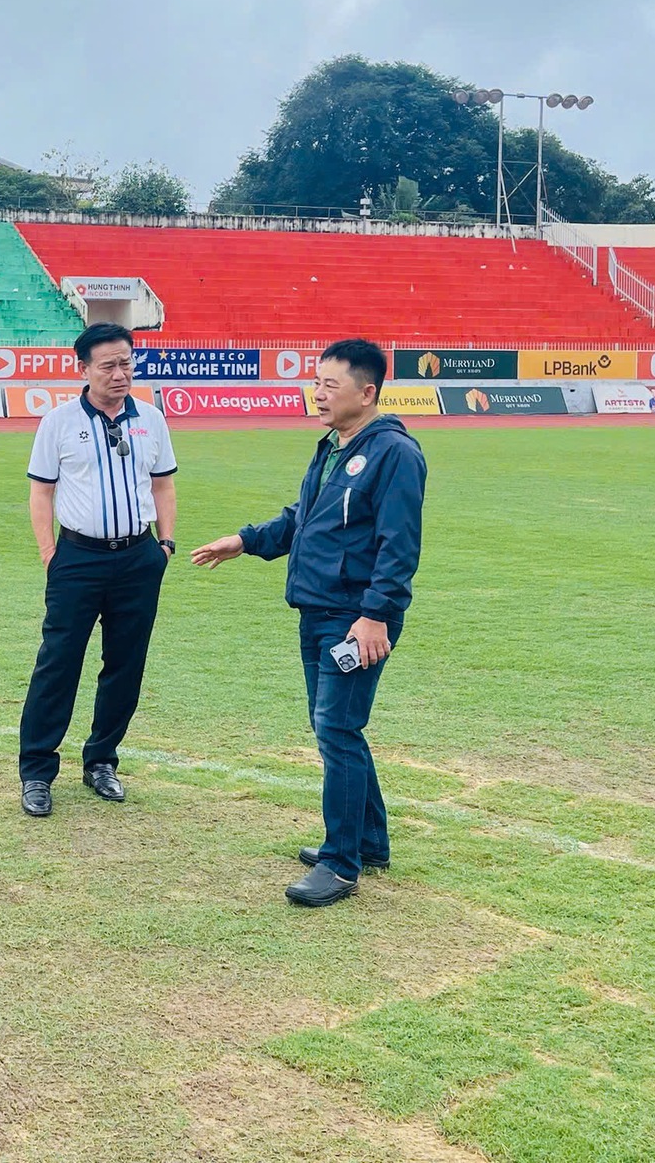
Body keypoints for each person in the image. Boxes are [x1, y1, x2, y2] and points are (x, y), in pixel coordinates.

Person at [192, 338, 426, 908]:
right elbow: (305, 518)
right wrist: (247, 541)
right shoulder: (331, 447)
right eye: (315, 381)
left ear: (367, 392)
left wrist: (375, 616)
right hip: (318, 610)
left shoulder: (395, 453)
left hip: (353, 618)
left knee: (337, 731)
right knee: (336, 729)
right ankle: (368, 841)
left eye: (330, 384)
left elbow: (399, 546)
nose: (317, 393)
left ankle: (340, 864)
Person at [16, 322, 178, 817]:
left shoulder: (150, 418)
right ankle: (37, 771)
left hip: (138, 558)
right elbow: (41, 491)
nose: (120, 373)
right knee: (58, 662)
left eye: (126, 362)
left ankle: (102, 761)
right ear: (82, 368)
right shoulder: (59, 422)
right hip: (77, 559)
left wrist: (165, 545)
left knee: (125, 665)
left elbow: (163, 485)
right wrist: (50, 554)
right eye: (108, 365)